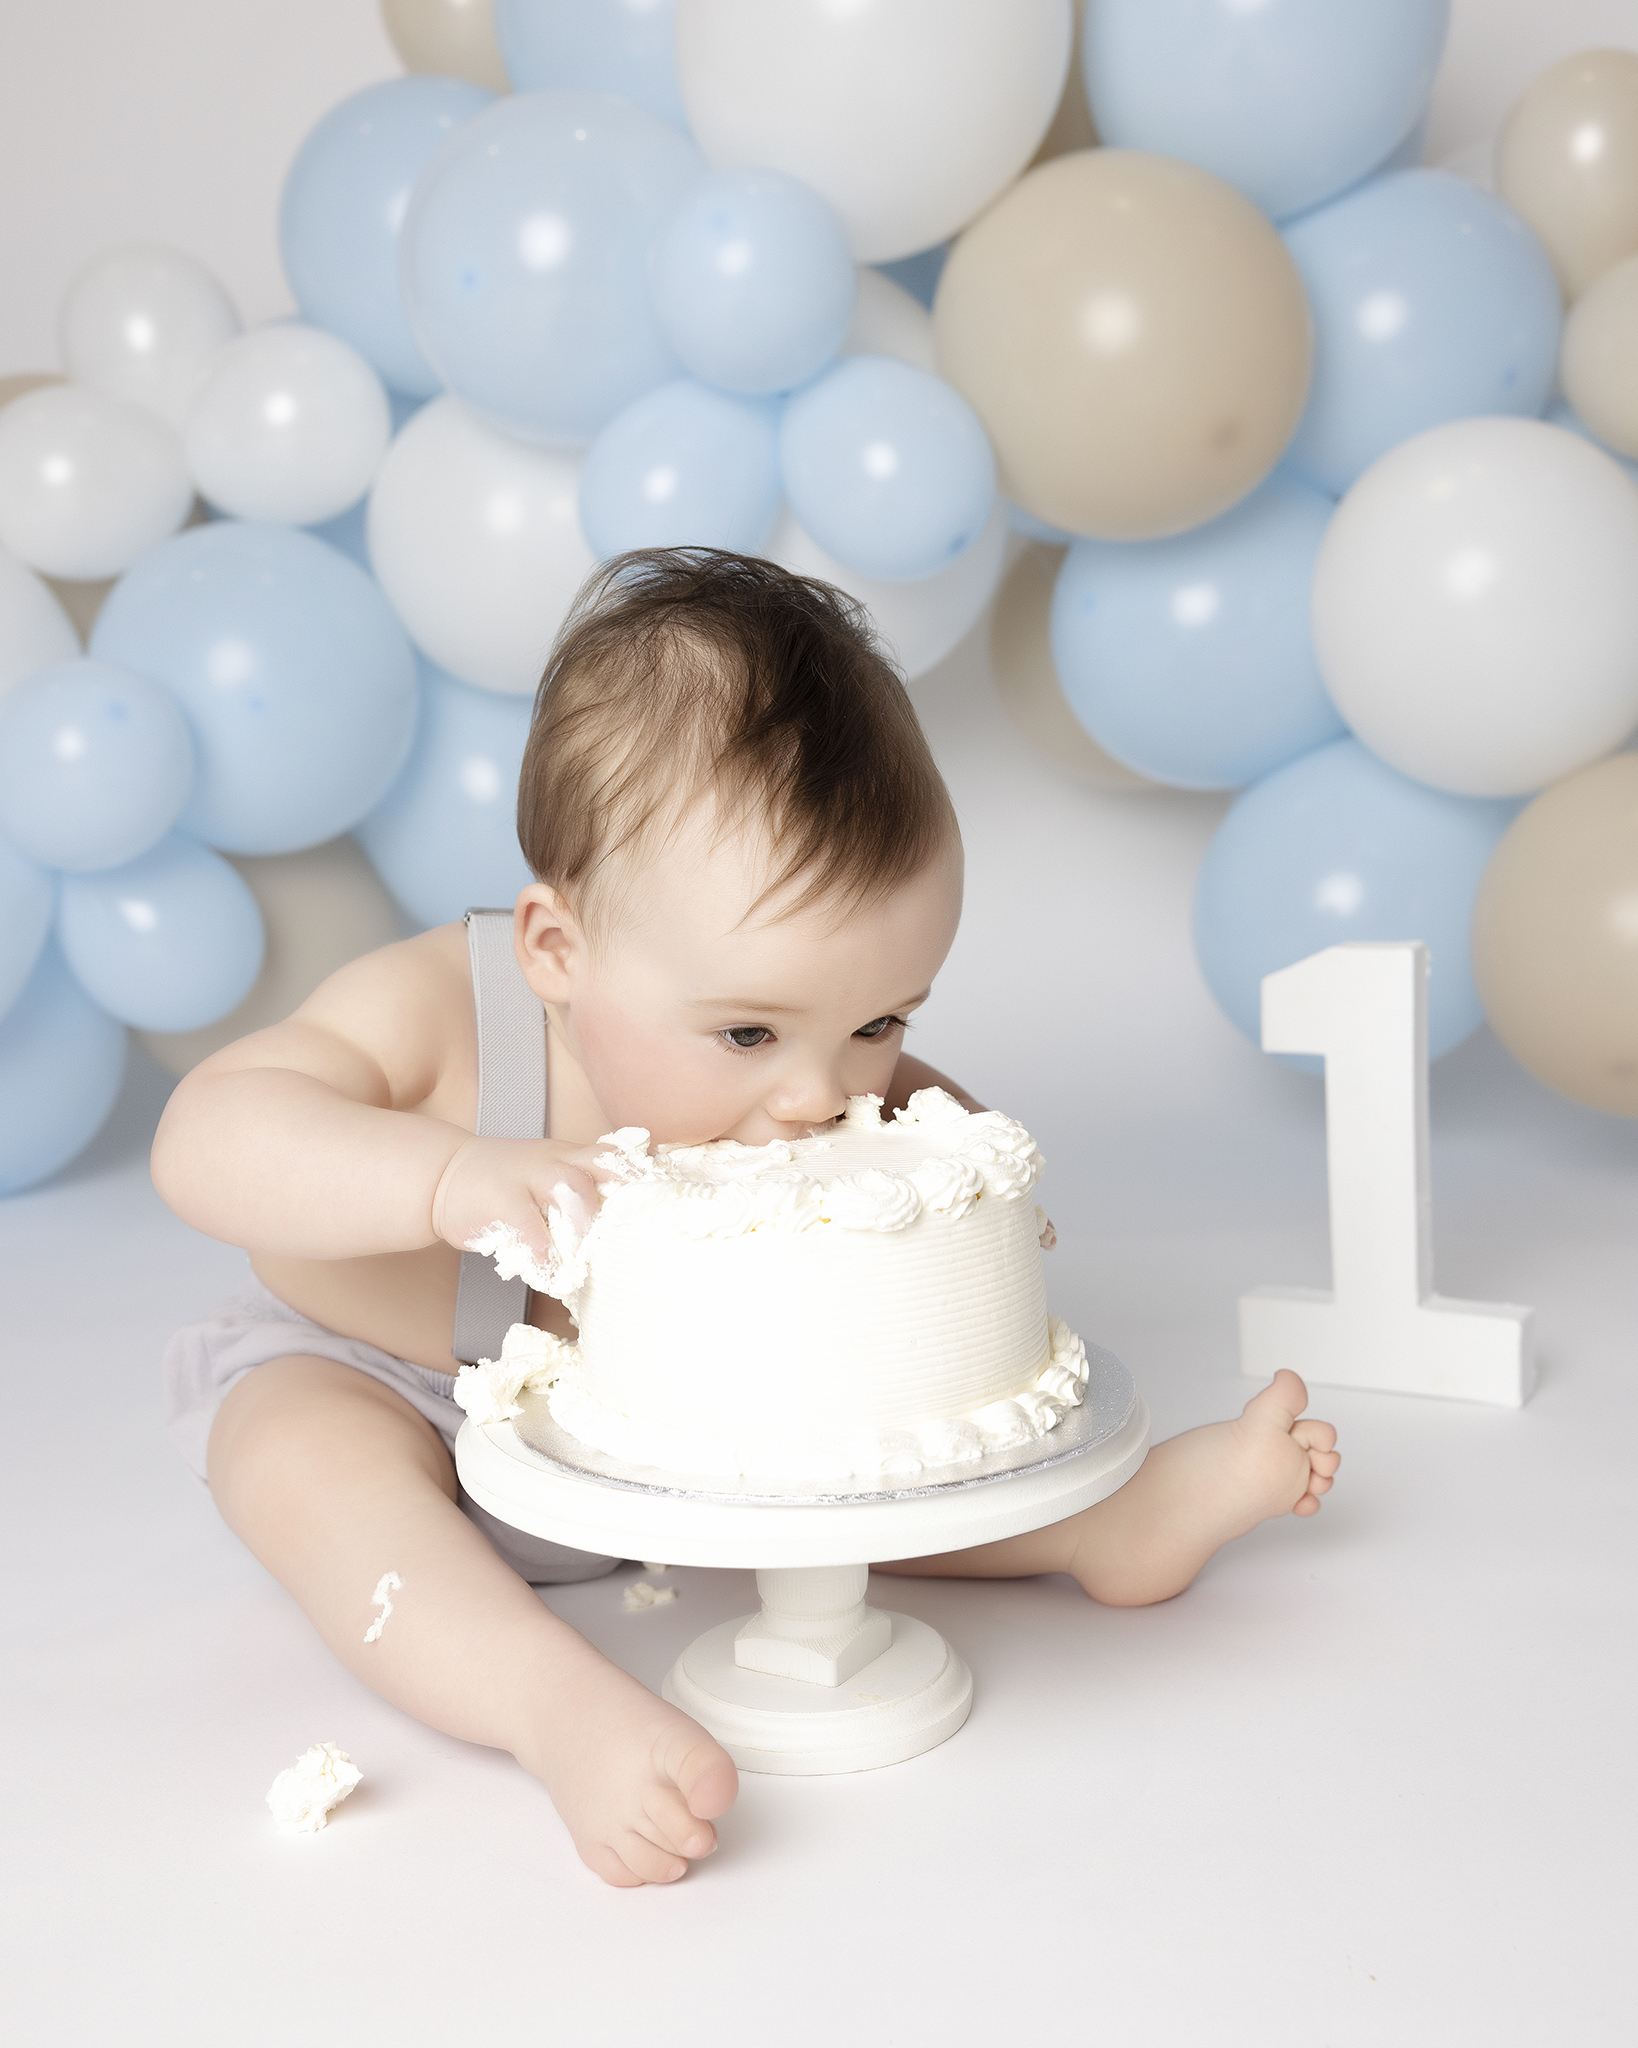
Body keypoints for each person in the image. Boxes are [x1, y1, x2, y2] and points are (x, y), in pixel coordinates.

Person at [153, 549, 1340, 1889]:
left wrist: (954, 1177)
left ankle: (1096, 1530)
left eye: (880, 1021)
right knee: (307, 1464)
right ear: (558, 950)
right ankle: (549, 1707)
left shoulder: (819, 1079)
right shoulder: (434, 1013)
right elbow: (211, 1136)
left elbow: (908, 1119)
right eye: (747, 1030)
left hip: (673, 1426)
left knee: (862, 1434)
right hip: (395, 1388)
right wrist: (440, 1178)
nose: (815, 1094)